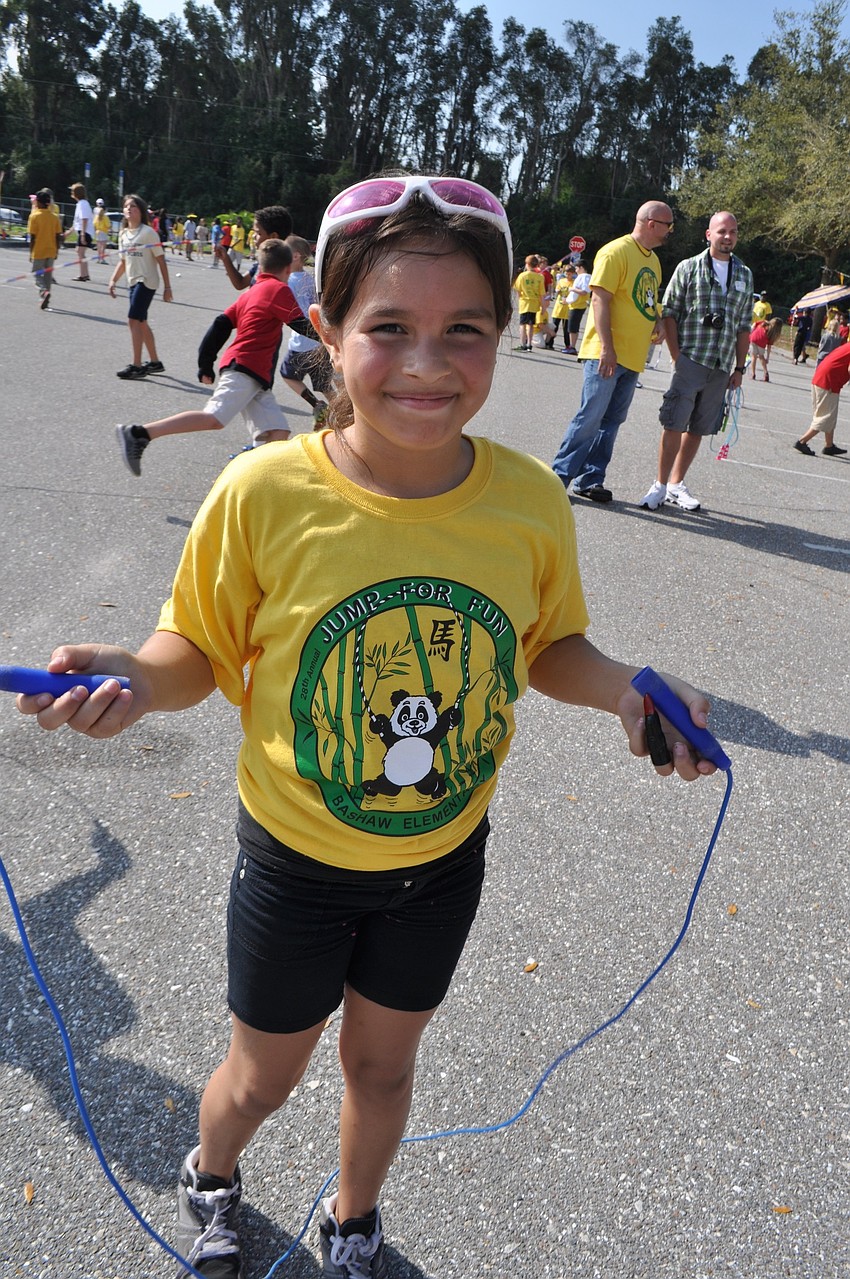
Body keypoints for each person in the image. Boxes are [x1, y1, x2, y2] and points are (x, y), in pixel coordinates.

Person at [19, 173, 718, 1279]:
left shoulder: (530, 501)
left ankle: (353, 1218)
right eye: (387, 327)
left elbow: (544, 646)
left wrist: (631, 688)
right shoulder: (263, 494)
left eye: (464, 330)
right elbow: (195, 651)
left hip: (442, 861)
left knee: (383, 1072)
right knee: (262, 1076)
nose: (428, 362)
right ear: (328, 331)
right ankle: (212, 1172)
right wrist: (131, 677)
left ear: (502, 335)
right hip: (294, 862)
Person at [115, 239, 309, 474]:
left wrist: (205, 363)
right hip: (246, 369)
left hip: (252, 375)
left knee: (277, 432)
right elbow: (301, 325)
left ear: (261, 265)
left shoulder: (252, 292)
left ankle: (258, 482)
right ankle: (140, 433)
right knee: (214, 417)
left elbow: (221, 324)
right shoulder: (278, 289)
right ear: (288, 269)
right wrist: (335, 337)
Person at [551, 202, 673, 502]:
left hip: (631, 356)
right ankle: (557, 480)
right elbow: (599, 300)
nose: (671, 231)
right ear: (650, 223)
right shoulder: (615, 252)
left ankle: (591, 478)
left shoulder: (653, 261)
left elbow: (645, 299)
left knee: (611, 421)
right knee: (590, 417)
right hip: (606, 353)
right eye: (668, 225)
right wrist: (606, 347)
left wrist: (656, 322)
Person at [637, 211, 752, 513]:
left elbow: (743, 326)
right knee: (674, 421)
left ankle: (677, 484)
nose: (728, 237)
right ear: (708, 234)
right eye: (722, 231)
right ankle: (660, 485)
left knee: (699, 426)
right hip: (692, 357)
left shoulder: (744, 274)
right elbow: (671, 313)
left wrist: (739, 368)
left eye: (733, 232)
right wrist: (677, 357)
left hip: (721, 364)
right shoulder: (689, 268)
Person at [108, 193, 173, 379]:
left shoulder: (148, 233)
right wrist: (113, 280)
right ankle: (155, 362)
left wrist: (167, 287)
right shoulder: (123, 234)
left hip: (146, 281)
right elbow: (123, 261)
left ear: (141, 211)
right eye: (127, 206)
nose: (129, 209)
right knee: (141, 322)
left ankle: (136, 365)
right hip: (132, 281)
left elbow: (161, 260)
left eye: (134, 206)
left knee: (133, 320)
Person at [279, 234, 333, 426]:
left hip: (301, 343)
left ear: (294, 256)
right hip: (318, 341)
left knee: (287, 374)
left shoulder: (289, 281)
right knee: (326, 386)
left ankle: (317, 405)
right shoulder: (310, 278)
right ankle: (345, 416)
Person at [793, 339, 850, 456]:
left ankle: (829, 446)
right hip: (829, 382)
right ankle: (802, 442)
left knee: (828, 414)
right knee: (826, 416)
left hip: (821, 378)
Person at [217, 205, 293, 290]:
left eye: (258, 233)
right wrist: (225, 258)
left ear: (273, 236)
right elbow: (240, 283)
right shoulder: (261, 263)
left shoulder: (282, 271)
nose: (253, 236)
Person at [27, 187, 62, 310]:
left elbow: (32, 236)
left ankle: (43, 292)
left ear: (39, 202)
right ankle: (45, 299)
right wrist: (57, 250)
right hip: (51, 250)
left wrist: (31, 252)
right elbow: (58, 235)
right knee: (48, 275)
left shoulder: (34, 216)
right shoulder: (54, 217)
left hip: (39, 250)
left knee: (36, 273)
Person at [512, 254, 546, 351]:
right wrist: (543, 307)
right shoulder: (540, 277)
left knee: (522, 325)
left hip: (525, 303)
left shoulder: (522, 276)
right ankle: (529, 344)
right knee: (531, 324)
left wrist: (520, 297)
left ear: (527, 264)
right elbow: (542, 294)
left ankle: (523, 343)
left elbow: (517, 289)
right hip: (534, 304)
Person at [563, 259, 591, 355]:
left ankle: (572, 346)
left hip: (578, 305)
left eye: (576, 268)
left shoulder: (585, 277)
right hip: (574, 304)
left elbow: (584, 291)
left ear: (581, 267)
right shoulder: (581, 277)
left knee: (573, 326)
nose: (575, 270)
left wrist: (573, 289)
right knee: (571, 326)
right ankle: (571, 345)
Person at [67, 182, 93, 281]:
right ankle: (85, 274)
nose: (71, 192)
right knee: (80, 252)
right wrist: (69, 232)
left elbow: (84, 219)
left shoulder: (83, 204)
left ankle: (83, 275)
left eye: (73, 191)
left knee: (80, 252)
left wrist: (82, 234)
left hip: (85, 232)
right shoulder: (80, 204)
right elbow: (76, 222)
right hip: (84, 231)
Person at [93, 199, 111, 264]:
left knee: (98, 246)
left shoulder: (97, 216)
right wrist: (110, 229)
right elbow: (108, 225)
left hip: (97, 231)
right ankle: (102, 259)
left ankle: (98, 258)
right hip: (103, 232)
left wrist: (95, 230)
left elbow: (94, 224)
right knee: (103, 247)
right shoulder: (105, 217)